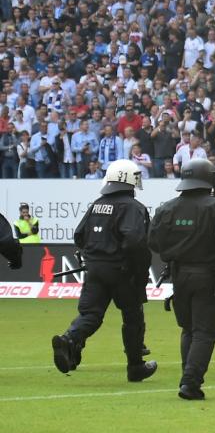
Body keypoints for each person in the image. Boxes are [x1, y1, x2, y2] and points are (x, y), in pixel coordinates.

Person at [50, 160, 156, 382]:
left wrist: (95, 253)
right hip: (122, 270)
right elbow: (135, 242)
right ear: (129, 180)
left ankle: (69, 340)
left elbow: (79, 235)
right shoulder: (132, 207)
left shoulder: (97, 204)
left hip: (94, 269)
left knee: (90, 315)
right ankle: (135, 366)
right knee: (133, 316)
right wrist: (139, 270)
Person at [147, 158, 215, 400]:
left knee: (188, 329)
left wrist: (175, 253)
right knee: (204, 331)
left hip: (179, 275)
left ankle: (187, 376)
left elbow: (153, 240)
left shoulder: (168, 207)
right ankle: (190, 382)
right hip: (207, 274)